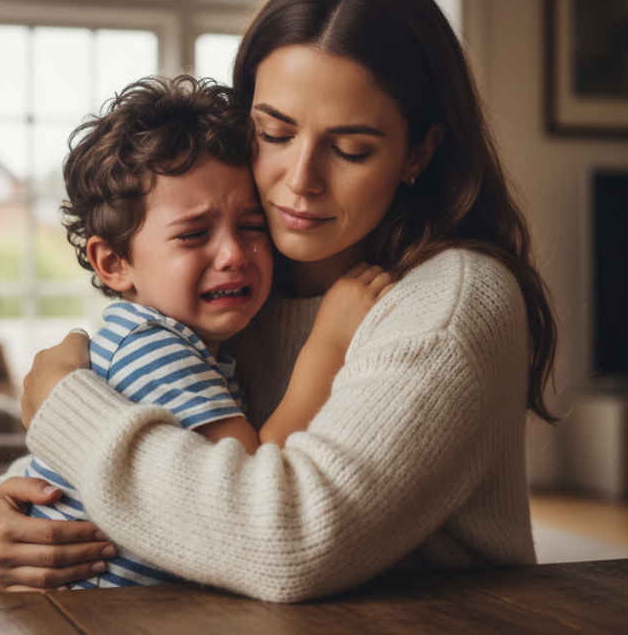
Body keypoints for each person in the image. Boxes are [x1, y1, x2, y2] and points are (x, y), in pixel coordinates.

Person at [0, 0, 558, 603]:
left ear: (419, 154)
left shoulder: (450, 299)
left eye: (350, 150)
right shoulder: (242, 286)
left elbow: (288, 542)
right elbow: (139, 442)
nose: (300, 179)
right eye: (274, 133)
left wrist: (66, 402)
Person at [20, 75, 393, 588]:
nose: (234, 254)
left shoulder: (171, 338)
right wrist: (329, 343)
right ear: (114, 263)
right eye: (194, 234)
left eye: (251, 225)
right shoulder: (151, 347)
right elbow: (258, 474)